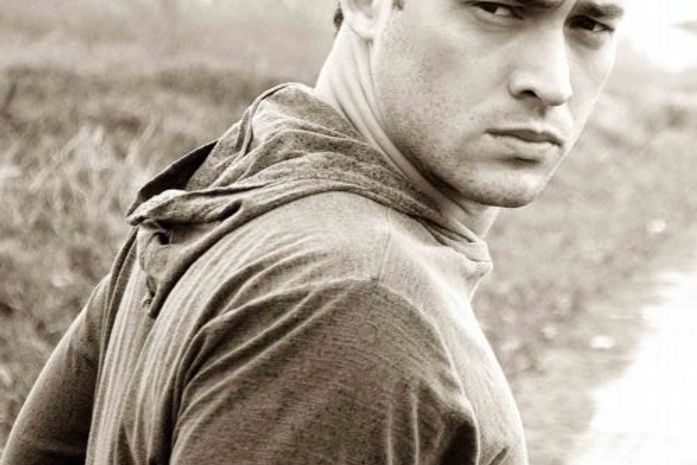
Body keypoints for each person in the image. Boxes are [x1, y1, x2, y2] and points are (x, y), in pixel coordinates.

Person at [2, 0, 626, 463]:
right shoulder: (357, 295)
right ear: (367, 5)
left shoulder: (239, 190)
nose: (554, 84)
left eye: (590, 24)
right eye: (497, 7)